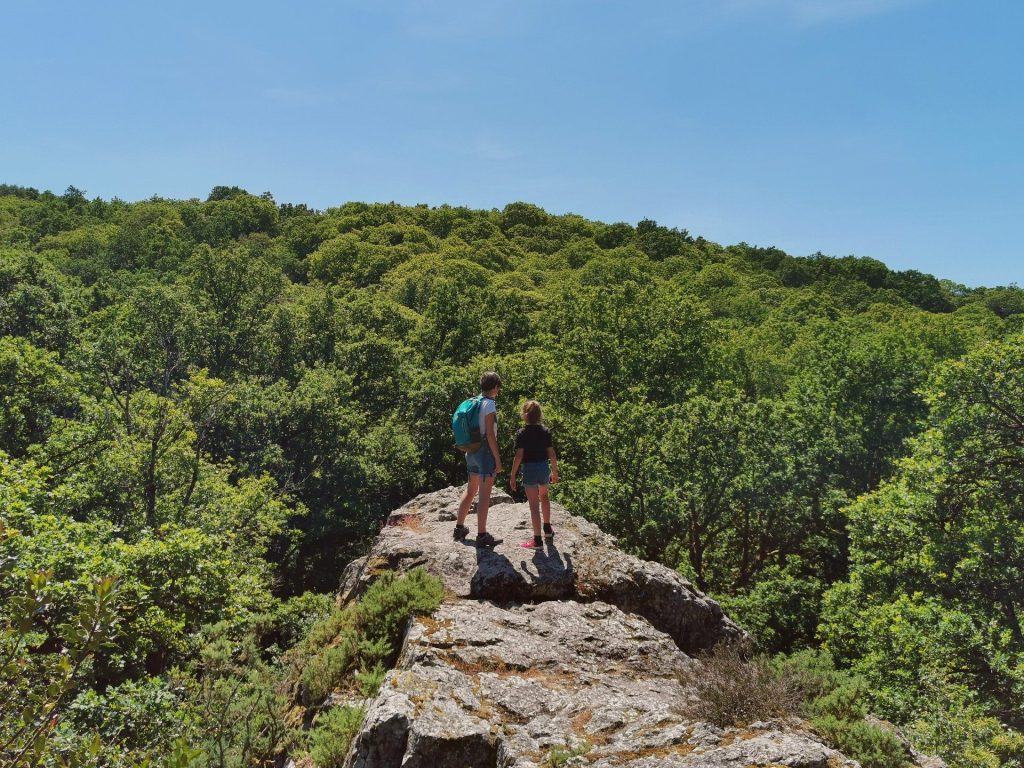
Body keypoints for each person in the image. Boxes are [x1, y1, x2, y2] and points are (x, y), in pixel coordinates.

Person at [454, 372, 504, 547]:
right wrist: (497, 459)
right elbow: (490, 434)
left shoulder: (473, 401)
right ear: (495, 387)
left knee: (470, 490)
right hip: (485, 452)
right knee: (484, 496)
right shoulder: (489, 404)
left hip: (471, 449)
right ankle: (482, 535)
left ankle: (459, 528)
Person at [508, 399, 559, 549]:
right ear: (539, 415)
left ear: (524, 415)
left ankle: (537, 541)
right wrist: (554, 473)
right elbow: (552, 454)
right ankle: (547, 529)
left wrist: (512, 475)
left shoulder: (522, 433)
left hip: (529, 469)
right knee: (544, 496)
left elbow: (519, 456)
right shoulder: (545, 432)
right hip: (543, 467)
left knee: (533, 505)